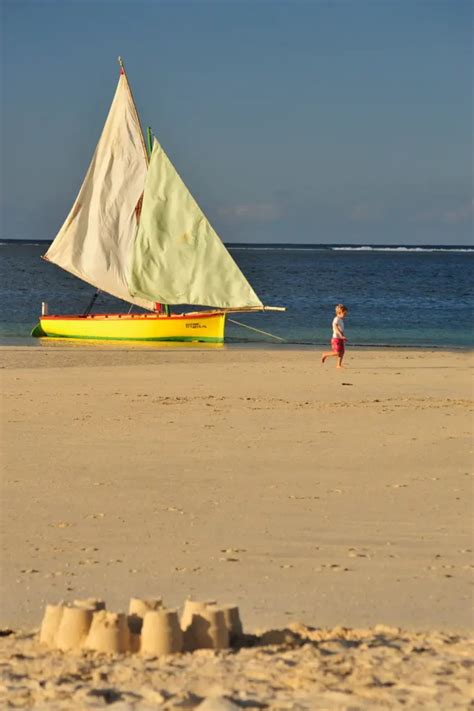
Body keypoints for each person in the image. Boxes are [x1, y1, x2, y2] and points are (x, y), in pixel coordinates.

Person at [321, 304, 348, 368]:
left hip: (340, 338)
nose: (345, 315)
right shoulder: (336, 319)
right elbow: (335, 327)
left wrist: (343, 336)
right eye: (344, 313)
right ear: (339, 313)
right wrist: (341, 335)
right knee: (337, 352)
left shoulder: (341, 320)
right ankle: (325, 354)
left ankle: (338, 365)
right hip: (336, 338)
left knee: (342, 352)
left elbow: (341, 329)